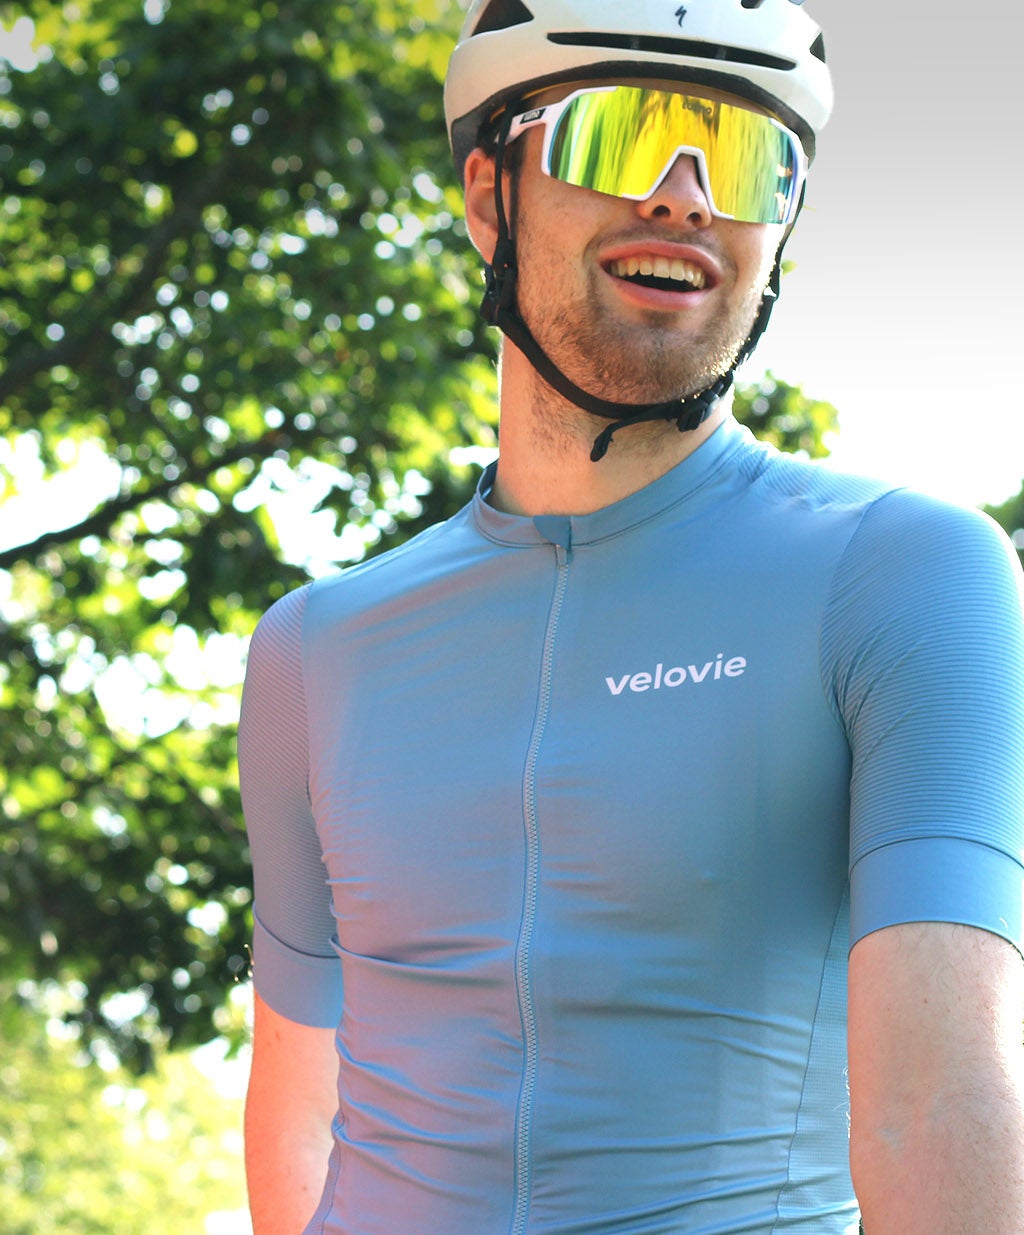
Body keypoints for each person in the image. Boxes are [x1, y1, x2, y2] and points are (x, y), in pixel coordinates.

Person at [239, 2, 1024, 1231]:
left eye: (745, 157)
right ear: (490, 196)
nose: (683, 196)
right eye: (623, 136)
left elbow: (934, 1099)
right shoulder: (312, 647)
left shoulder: (905, 572)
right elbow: (296, 1117)